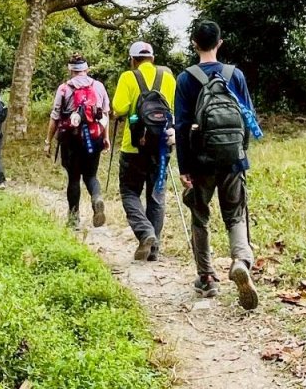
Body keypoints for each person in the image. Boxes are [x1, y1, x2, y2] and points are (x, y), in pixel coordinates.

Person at [174, 20, 259, 310]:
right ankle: (240, 260)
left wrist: (184, 166)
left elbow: (183, 125)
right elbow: (248, 117)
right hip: (233, 159)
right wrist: (240, 153)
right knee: (235, 214)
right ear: (220, 43)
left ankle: (207, 278)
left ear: (194, 44)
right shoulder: (235, 75)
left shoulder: (186, 79)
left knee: (201, 215)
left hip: (200, 161)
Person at [111, 41, 177, 262]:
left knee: (129, 192)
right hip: (161, 146)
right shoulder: (168, 78)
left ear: (132, 60)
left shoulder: (128, 77)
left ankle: (145, 233)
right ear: (153, 58)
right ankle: (154, 250)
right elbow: (175, 111)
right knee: (156, 196)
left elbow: (119, 109)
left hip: (133, 146)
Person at [44, 54, 110, 229]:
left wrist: (48, 141)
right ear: (86, 69)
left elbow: (55, 117)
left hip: (71, 139)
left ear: (71, 70)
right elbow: (105, 114)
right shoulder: (99, 86)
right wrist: (106, 137)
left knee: (73, 178)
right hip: (94, 138)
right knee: (91, 175)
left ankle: (73, 220)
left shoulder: (64, 88)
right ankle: (97, 198)